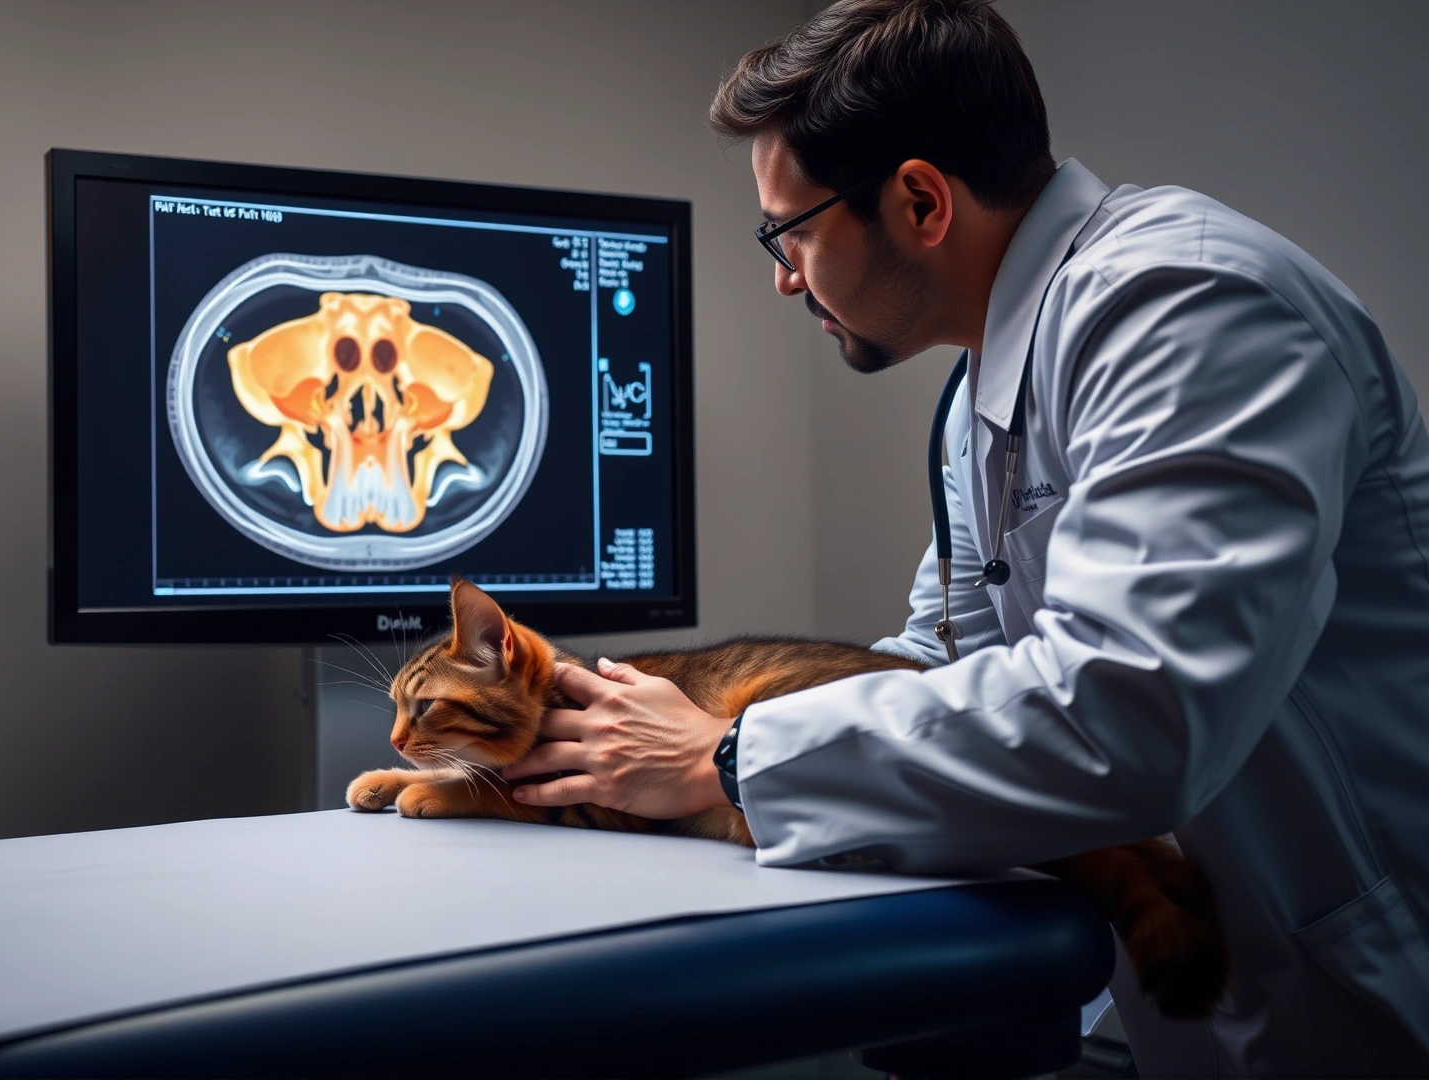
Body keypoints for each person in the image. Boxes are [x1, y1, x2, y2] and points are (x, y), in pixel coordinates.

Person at [496, 0, 1429, 1074]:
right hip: (1207, 1004)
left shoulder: (1191, 304)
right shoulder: (985, 386)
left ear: (921, 200)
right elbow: (945, 664)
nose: (783, 276)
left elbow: (1130, 714)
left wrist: (727, 758)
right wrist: (650, 727)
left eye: (789, 231)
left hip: (1365, 1005)